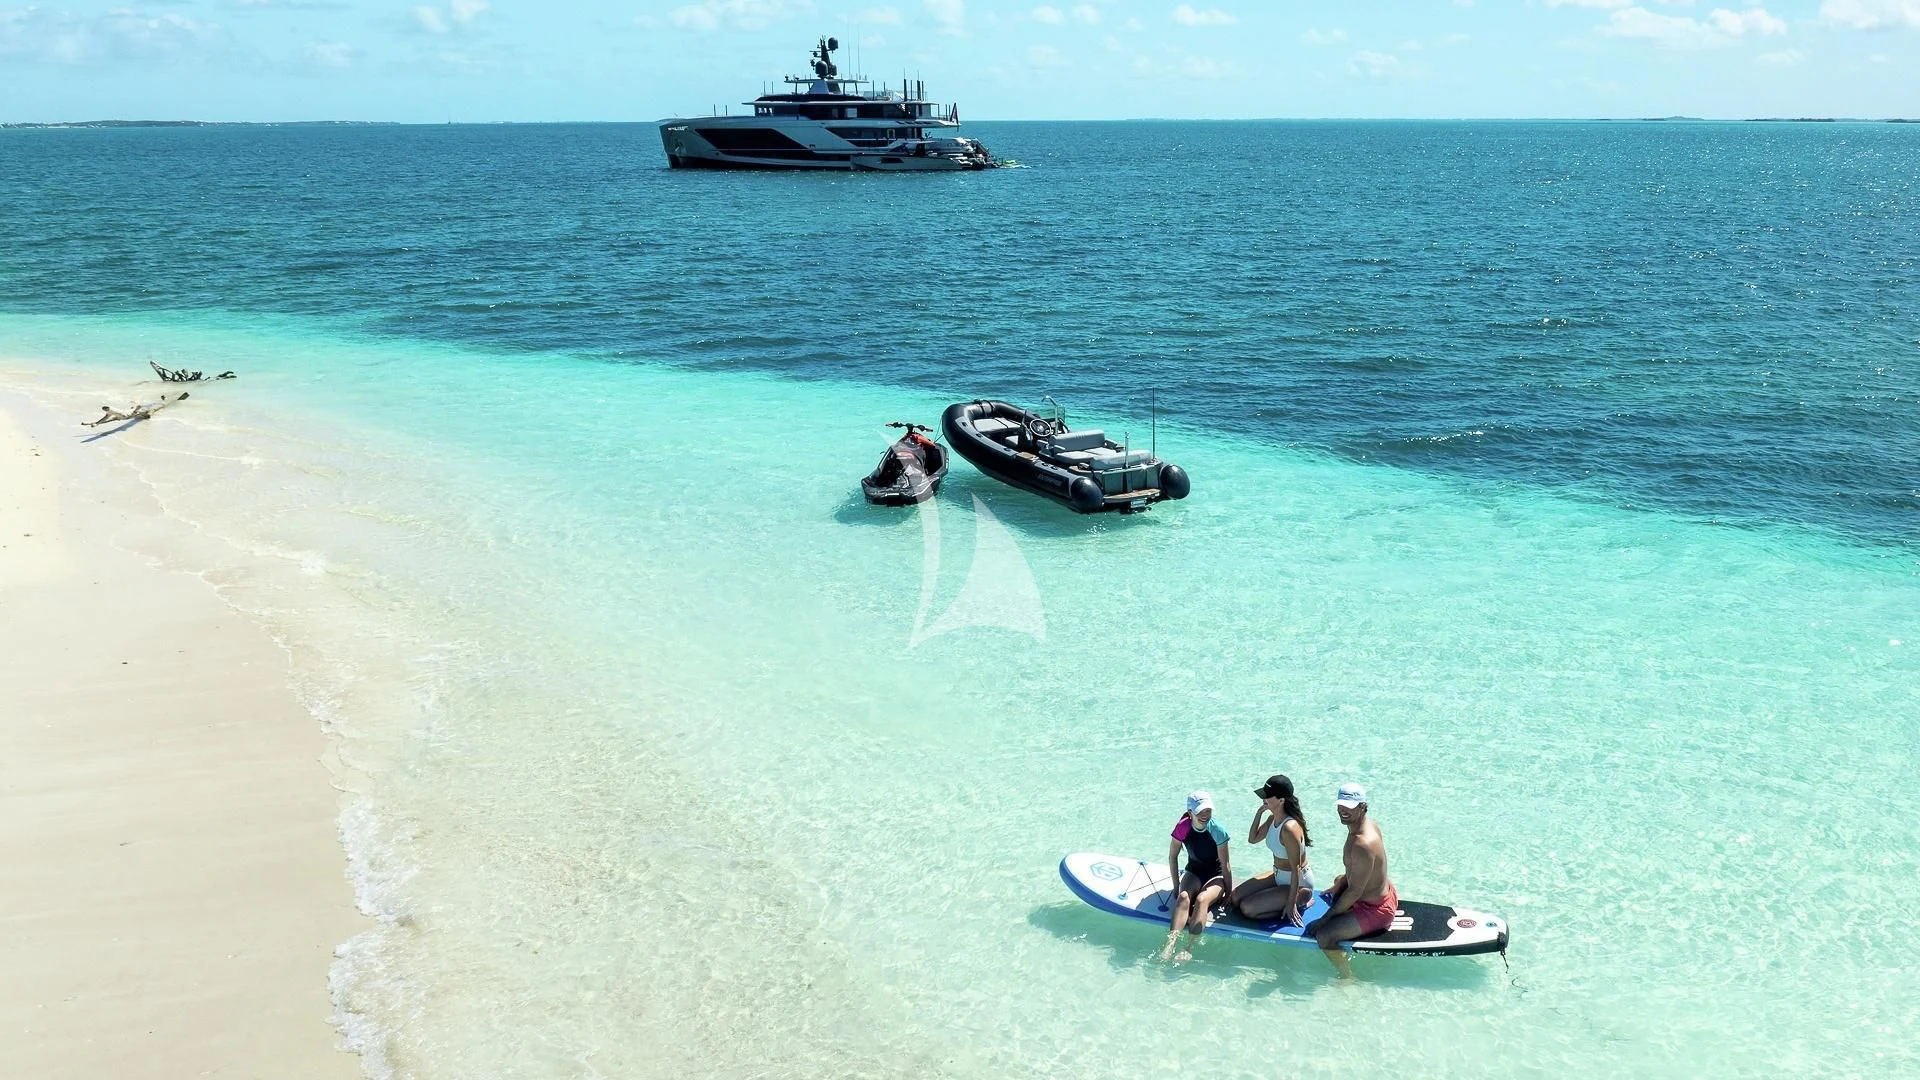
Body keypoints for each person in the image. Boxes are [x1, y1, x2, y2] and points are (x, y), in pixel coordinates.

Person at [1305, 782, 1396, 978]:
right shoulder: (1368, 825)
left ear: (1363, 806)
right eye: (1341, 805)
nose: (1343, 810)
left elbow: (1354, 892)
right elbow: (1360, 871)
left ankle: (1347, 977)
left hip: (1377, 910)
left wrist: (1325, 919)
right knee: (1339, 879)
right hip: (1381, 891)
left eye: (1350, 806)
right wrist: (1342, 882)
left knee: (1324, 936)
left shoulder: (1362, 844)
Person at [1230, 774, 1314, 925]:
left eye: (1268, 797)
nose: (1264, 799)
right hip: (1278, 875)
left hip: (1298, 883)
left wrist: (1291, 903)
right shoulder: (1272, 819)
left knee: (1247, 909)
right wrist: (1259, 813)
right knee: (1235, 897)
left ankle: (1301, 901)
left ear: (1281, 800)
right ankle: (1282, 900)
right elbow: (1252, 839)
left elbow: (1296, 869)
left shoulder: (1289, 828)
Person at [1161, 790, 1233, 960]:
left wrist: (1228, 894)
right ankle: (1170, 944)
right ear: (1190, 812)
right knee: (1184, 897)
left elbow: (1225, 864)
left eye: (1208, 810)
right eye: (1200, 811)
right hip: (1194, 871)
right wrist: (1176, 887)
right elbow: (1172, 857)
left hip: (1216, 875)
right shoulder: (1182, 827)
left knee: (1201, 900)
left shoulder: (1218, 831)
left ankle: (1189, 947)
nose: (1205, 815)